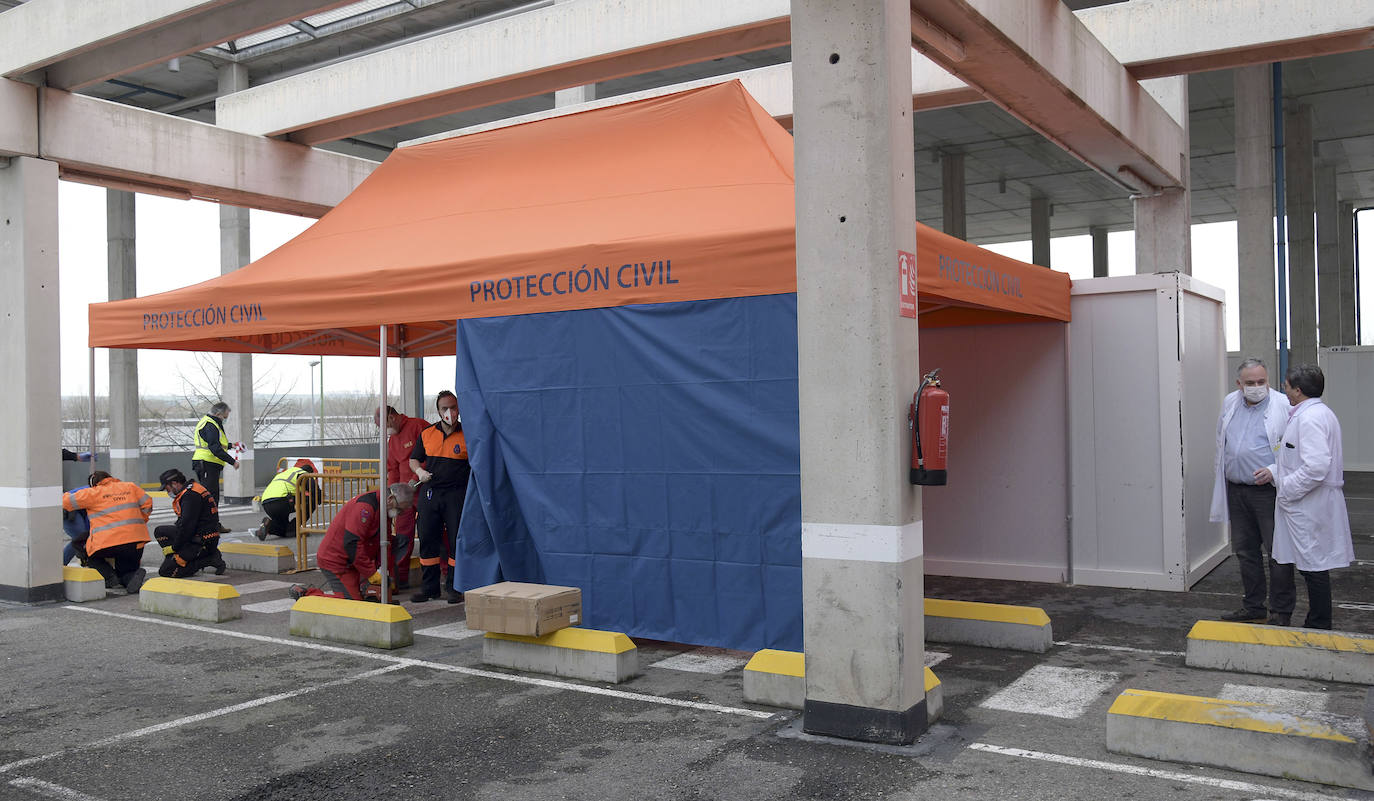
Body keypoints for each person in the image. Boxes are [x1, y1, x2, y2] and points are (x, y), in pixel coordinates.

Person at [1254, 364, 1354, 630]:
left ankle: (1320, 624)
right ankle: (1317, 621)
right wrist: (1274, 471)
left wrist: (1286, 488)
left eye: (1286, 386)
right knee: (1312, 563)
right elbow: (1295, 458)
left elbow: (1316, 467)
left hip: (1309, 503)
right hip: (1309, 501)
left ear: (1297, 391)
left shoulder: (1310, 418)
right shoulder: (1313, 414)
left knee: (1314, 566)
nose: (1283, 390)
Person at [1208, 358, 1293, 625]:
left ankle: (1280, 611)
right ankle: (1254, 606)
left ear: (1268, 381)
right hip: (1237, 490)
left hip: (1267, 491)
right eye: (1250, 383)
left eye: (1261, 382)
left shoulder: (1283, 405)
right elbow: (1223, 440)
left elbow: (1293, 449)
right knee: (1246, 552)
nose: (1256, 387)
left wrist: (1274, 470)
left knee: (1277, 552)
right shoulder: (1230, 402)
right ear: (1239, 384)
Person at [289, 483, 415, 601]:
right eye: (399, 509)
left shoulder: (384, 509)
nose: (399, 513)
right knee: (351, 603)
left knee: (366, 596)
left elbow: (384, 542)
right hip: (337, 560)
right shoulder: (365, 508)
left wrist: (386, 573)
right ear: (390, 499)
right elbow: (352, 543)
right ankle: (306, 595)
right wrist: (371, 573)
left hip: (354, 561)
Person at [408, 390, 469, 604]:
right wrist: (419, 472)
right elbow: (414, 459)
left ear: (459, 409)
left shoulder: (468, 433)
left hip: (456, 493)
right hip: (430, 492)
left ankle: (454, 588)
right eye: (445, 408)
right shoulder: (427, 434)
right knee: (427, 539)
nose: (449, 412)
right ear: (438, 410)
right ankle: (429, 589)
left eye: (453, 407)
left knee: (455, 542)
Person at [61, 471, 151, 593]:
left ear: (94, 484)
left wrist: (75, 491)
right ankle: (129, 577)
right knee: (126, 569)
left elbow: (64, 501)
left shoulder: (92, 493)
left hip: (107, 544)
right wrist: (140, 521)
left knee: (87, 552)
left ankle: (109, 577)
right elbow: (148, 504)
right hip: (135, 541)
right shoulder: (130, 487)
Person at [375, 404, 429, 588]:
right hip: (405, 496)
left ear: (391, 417)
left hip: (424, 488)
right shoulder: (392, 441)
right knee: (403, 535)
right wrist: (394, 491)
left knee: (430, 532)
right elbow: (393, 468)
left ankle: (443, 574)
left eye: (384, 425)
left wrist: (416, 478)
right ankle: (401, 577)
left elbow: (429, 453)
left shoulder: (417, 426)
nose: (385, 431)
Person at [153, 468, 227, 578]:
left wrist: (174, 547)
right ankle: (179, 559)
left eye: (167, 488)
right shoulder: (191, 489)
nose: (167, 492)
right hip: (202, 535)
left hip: (202, 540)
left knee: (166, 572)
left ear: (174, 483)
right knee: (160, 531)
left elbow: (187, 526)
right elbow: (183, 523)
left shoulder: (190, 496)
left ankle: (207, 559)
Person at [192, 401, 238, 532]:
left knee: (211, 496)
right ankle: (210, 526)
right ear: (218, 414)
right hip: (206, 463)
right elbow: (214, 448)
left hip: (208, 464)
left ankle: (212, 524)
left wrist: (231, 446)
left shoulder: (210, 423)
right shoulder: (210, 425)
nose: (225, 420)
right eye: (224, 417)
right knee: (210, 497)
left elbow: (214, 443)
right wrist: (232, 461)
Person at [254, 459, 322, 541]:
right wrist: (319, 498)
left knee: (283, 529)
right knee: (311, 501)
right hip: (282, 500)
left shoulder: (285, 473)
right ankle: (294, 528)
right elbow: (312, 487)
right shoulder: (302, 473)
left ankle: (269, 525)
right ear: (309, 473)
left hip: (266, 503)